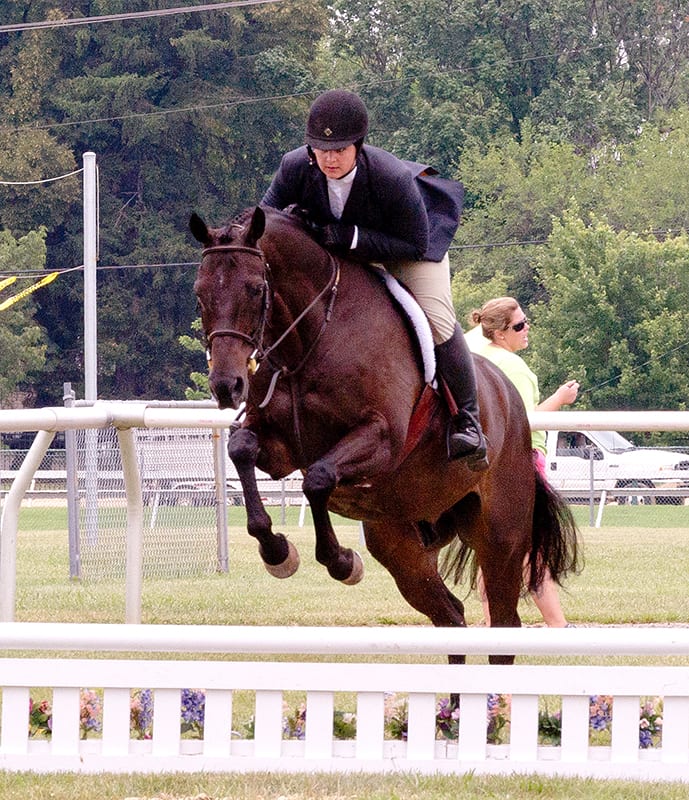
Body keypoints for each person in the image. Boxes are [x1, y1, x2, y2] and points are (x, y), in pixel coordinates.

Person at [261, 88, 488, 470]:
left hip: (408, 248)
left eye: (340, 150)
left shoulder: (389, 176)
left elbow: (414, 243)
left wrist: (350, 237)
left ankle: (468, 420)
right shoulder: (295, 166)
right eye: (321, 149)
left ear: (359, 146)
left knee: (435, 318)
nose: (329, 158)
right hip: (344, 250)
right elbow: (263, 222)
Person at [466, 296, 579, 627]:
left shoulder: (476, 350)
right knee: (531, 548)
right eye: (519, 325)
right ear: (500, 333)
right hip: (521, 461)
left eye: (526, 321)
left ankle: (492, 626)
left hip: (485, 463)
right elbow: (524, 422)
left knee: (493, 550)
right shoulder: (513, 367)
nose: (527, 328)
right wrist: (560, 399)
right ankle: (558, 626)